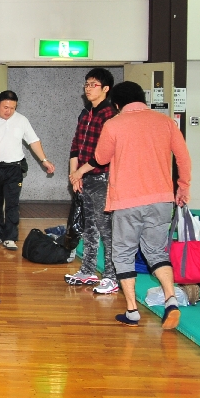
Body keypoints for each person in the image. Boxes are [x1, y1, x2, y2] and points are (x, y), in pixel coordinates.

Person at [94, 81, 192, 329]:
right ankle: (171, 300)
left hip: (127, 201)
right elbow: (183, 157)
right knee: (157, 252)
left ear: (117, 104)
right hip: (161, 199)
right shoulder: (166, 122)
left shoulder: (114, 124)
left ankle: (132, 311)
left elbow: (100, 158)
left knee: (123, 253)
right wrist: (183, 187)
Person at [0, 90, 55, 250]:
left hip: (14, 168)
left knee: (12, 204)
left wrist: (44, 160)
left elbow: (33, 141)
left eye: (12, 108)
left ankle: (10, 238)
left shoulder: (22, 120)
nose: (9, 111)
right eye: (5, 107)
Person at [65, 68, 118, 293]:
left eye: (93, 85)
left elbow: (104, 153)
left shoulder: (110, 114)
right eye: (86, 84)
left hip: (103, 178)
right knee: (89, 228)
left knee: (106, 229)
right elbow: (76, 145)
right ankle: (87, 270)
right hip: (84, 177)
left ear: (105, 88)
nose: (88, 88)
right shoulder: (85, 113)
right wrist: (74, 174)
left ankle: (112, 276)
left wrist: (80, 172)